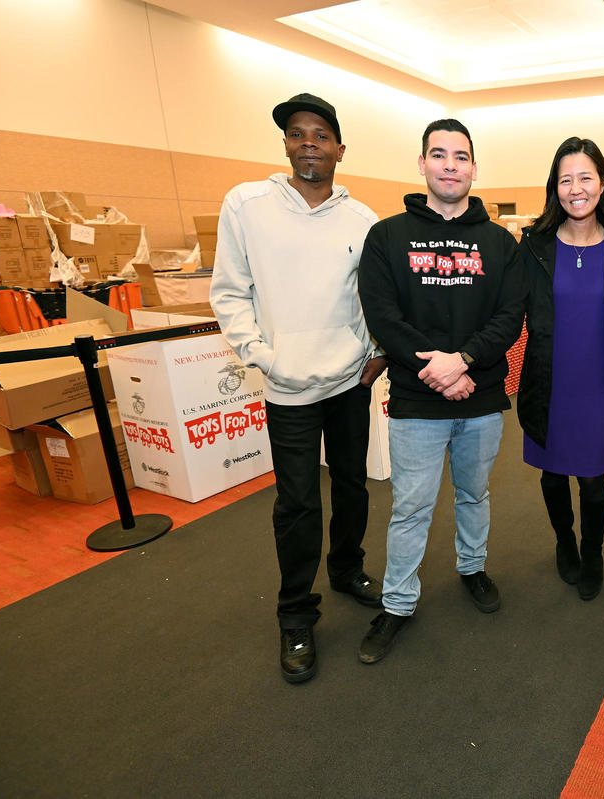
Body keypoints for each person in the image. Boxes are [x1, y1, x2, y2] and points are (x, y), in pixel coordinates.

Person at [210, 93, 386, 684]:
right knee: (298, 503)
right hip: (287, 387)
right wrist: (263, 356)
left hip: (350, 380)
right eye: (296, 133)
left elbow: (371, 296)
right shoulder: (247, 205)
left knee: (353, 486)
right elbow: (230, 290)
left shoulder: (362, 218)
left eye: (320, 135)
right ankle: (295, 614)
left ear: (340, 149)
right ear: (286, 144)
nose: (308, 143)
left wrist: (376, 350)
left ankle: (347, 568)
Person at [357, 119, 526, 663]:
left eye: (460, 156)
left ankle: (472, 568)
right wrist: (439, 370)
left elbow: (510, 315)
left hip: (481, 395)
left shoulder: (500, 242)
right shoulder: (387, 236)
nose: (450, 165)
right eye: (439, 154)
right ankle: (397, 603)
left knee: (474, 494)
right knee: (411, 508)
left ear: (474, 168)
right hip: (416, 400)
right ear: (422, 164)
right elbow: (382, 315)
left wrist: (463, 361)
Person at [516, 137, 604, 601]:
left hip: (599, 386)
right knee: (551, 474)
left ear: (603, 182)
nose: (576, 188)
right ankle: (564, 541)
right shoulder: (535, 245)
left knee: (592, 479)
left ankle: (593, 551)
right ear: (555, 187)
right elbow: (506, 307)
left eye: (585, 177)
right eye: (565, 179)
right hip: (549, 380)